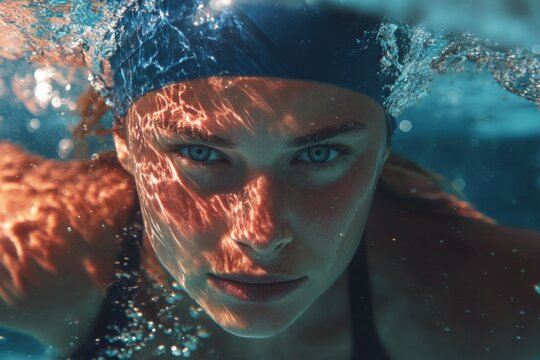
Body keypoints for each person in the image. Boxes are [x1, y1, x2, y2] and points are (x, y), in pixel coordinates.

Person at [1, 1, 540, 359]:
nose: (260, 233)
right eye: (200, 153)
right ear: (125, 142)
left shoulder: (483, 300)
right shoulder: (39, 250)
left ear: (382, 149)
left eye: (320, 153)